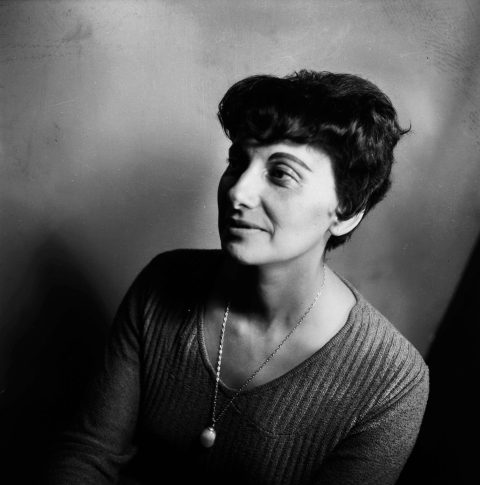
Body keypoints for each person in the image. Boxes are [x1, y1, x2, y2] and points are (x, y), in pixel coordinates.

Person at [47, 70, 429, 485]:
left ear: (347, 212)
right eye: (237, 162)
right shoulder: (163, 281)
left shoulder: (392, 382)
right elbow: (91, 452)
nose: (237, 192)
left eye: (281, 174)